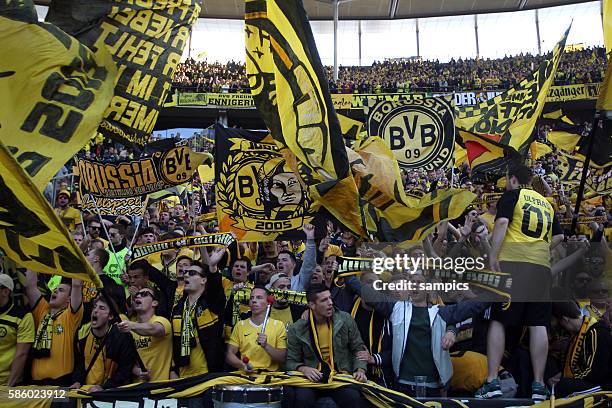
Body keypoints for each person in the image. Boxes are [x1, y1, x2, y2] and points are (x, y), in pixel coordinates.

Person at [477, 163, 564, 401]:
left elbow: (502, 224)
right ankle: (538, 384)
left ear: (513, 179)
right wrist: (542, 250)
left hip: (514, 263)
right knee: (538, 323)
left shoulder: (512, 195)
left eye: (506, 179)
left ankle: (492, 380)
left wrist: (493, 255)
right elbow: (559, 235)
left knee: (499, 320)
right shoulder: (546, 203)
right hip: (540, 268)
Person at [285, 284, 368, 408]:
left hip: (340, 376)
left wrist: (360, 370)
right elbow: (290, 361)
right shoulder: (297, 329)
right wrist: (304, 369)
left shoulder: (345, 319)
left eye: (330, 298)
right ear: (312, 305)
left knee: (353, 397)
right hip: (312, 379)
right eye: (324, 300)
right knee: (302, 399)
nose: (330, 303)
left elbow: (358, 348)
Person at [25, 270, 83, 386]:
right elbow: (30, 285)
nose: (55, 290)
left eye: (61, 290)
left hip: (61, 384)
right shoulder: (42, 311)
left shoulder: (70, 316)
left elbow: (77, 285)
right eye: (55, 288)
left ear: (69, 300)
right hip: (35, 385)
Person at [171, 260, 225, 378]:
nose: (185, 275)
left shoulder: (211, 305)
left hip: (206, 375)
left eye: (192, 273)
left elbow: (216, 289)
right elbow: (174, 342)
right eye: (185, 272)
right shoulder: (178, 308)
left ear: (203, 280)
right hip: (181, 376)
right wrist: (173, 370)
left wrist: (213, 267)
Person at [71, 294, 137, 391]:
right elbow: (80, 364)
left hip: (110, 394)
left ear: (110, 316)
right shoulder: (82, 334)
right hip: (85, 392)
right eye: (94, 307)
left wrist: (104, 388)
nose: (96, 310)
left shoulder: (121, 337)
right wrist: (77, 381)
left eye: (102, 308)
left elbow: (124, 370)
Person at [549, 301, 612, 396]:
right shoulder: (578, 334)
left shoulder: (597, 332)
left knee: (564, 386)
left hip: (604, 384)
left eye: (559, 323)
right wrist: (562, 375)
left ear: (565, 319)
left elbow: (597, 373)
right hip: (593, 381)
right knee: (560, 383)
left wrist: (566, 379)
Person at [117, 287, 173, 382]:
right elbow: (128, 362)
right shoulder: (130, 327)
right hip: (138, 389)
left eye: (144, 294)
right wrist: (138, 371)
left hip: (159, 387)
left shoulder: (162, 321)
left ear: (154, 303)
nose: (138, 296)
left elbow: (154, 329)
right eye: (137, 295)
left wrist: (132, 325)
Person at [226, 286, 287, 372]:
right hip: (245, 375)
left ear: (268, 303)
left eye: (259, 298)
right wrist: (242, 365)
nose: (254, 301)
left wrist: (266, 345)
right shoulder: (240, 325)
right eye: (252, 298)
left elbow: (282, 358)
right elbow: (229, 354)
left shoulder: (278, 325)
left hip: (270, 376)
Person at [0, 274, 34, 386]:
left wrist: (9, 387)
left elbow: (22, 354)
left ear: (5, 292)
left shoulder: (22, 316)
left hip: (6, 384)